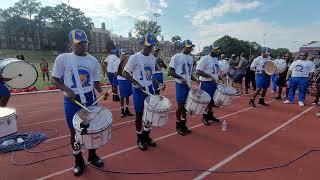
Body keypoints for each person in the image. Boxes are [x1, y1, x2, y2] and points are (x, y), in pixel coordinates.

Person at [51, 29, 108, 176]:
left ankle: (92, 155)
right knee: (74, 132)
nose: (82, 46)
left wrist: (103, 92)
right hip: (72, 100)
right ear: (71, 44)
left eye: (84, 43)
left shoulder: (93, 61)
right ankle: (78, 160)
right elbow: (54, 79)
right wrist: (66, 89)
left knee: (91, 129)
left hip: (90, 98)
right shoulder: (63, 59)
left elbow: (96, 83)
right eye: (78, 43)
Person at [122, 33, 158, 151]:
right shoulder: (134, 57)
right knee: (139, 115)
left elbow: (150, 76)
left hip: (150, 90)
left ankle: (146, 136)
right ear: (142, 43)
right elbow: (125, 73)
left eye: (151, 45)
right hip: (138, 91)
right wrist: (136, 83)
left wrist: (157, 83)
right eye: (147, 45)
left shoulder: (153, 59)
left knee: (150, 114)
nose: (150, 48)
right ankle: (139, 138)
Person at [168, 40, 200, 136]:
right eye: (189, 47)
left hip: (188, 85)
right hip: (180, 85)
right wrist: (180, 78)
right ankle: (178, 125)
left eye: (191, 47)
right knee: (181, 106)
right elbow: (170, 72)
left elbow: (189, 74)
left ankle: (183, 124)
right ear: (184, 46)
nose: (190, 48)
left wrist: (195, 80)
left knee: (186, 106)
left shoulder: (190, 58)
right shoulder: (176, 57)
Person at [196, 44, 220, 125]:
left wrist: (219, 77)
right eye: (215, 49)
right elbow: (198, 72)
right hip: (206, 83)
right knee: (206, 101)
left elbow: (215, 71)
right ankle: (205, 117)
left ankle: (210, 115)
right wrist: (209, 76)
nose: (217, 51)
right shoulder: (205, 59)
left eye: (217, 49)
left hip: (214, 83)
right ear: (210, 50)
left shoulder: (216, 59)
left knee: (212, 101)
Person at [114, 49, 134, 118]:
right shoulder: (116, 62)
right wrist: (122, 74)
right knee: (122, 96)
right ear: (120, 54)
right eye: (123, 54)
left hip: (128, 80)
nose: (125, 55)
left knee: (128, 95)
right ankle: (122, 110)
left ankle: (127, 109)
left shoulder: (129, 61)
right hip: (121, 80)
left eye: (126, 54)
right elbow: (115, 73)